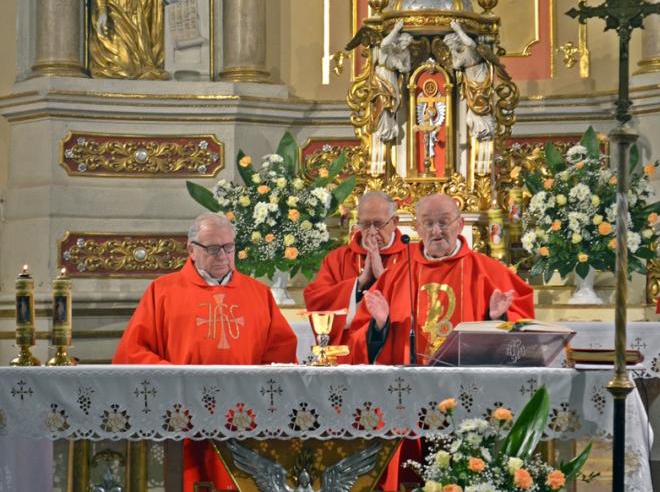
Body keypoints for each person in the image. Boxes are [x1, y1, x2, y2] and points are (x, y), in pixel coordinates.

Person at [113, 213, 297, 491]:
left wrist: (258, 392)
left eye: (229, 247)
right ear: (191, 249)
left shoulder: (258, 293)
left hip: (244, 416)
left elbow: (281, 354)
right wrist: (176, 378)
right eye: (212, 248)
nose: (222, 255)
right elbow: (132, 351)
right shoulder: (163, 291)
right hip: (184, 411)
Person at [348, 193, 535, 365]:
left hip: (471, 383)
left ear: (460, 224)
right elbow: (357, 339)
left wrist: (498, 318)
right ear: (418, 229)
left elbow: (527, 333)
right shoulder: (394, 278)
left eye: (444, 222)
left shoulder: (490, 272)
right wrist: (379, 326)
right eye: (428, 224)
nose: (436, 231)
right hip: (411, 384)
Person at [303, 191, 409, 351]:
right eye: (365, 224)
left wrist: (382, 276)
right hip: (349, 351)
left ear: (394, 222)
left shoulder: (411, 256)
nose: (372, 232)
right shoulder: (337, 259)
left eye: (379, 224)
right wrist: (359, 282)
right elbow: (317, 301)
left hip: (397, 349)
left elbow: (418, 303)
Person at [90, 0, 168, 79]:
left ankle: (140, 67)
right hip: (115, 8)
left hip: (136, 11)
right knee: (125, 64)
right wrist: (101, 9)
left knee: (141, 60)